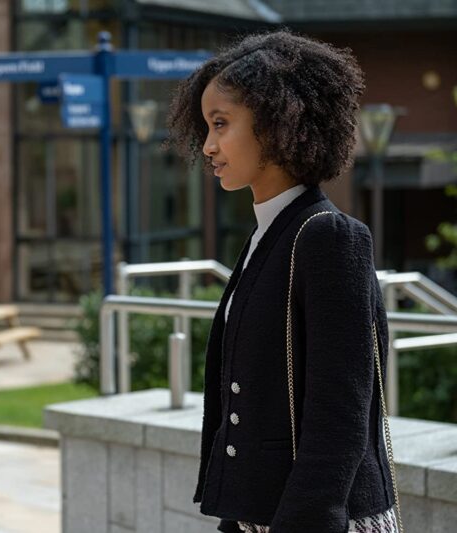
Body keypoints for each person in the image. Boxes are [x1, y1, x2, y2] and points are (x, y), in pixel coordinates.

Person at [167, 31, 399, 532]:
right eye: (206, 127)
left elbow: (341, 413)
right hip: (258, 512)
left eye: (220, 123)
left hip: (315, 519)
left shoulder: (329, 236)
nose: (208, 145)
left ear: (275, 123)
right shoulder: (268, 235)